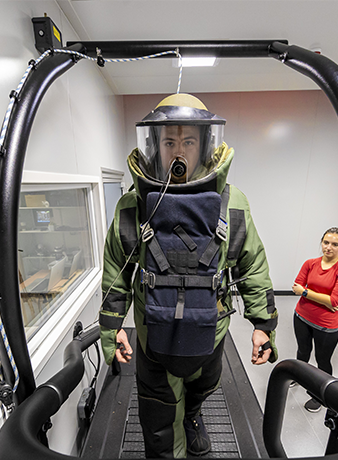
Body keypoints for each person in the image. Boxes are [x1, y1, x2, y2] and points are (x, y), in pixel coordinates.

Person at [98, 93, 279, 458]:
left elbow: (252, 265)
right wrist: (111, 326)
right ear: (155, 147)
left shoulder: (233, 204)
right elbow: (117, 270)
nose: (178, 152)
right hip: (153, 335)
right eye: (169, 142)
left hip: (210, 331)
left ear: (204, 145)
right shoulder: (132, 206)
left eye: (188, 141)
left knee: (202, 387)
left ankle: (193, 415)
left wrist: (263, 324)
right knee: (159, 420)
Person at [291, 227, 338, 413]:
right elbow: (297, 285)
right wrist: (323, 299)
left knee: (322, 361)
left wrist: (306, 293)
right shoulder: (310, 263)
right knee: (302, 352)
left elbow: (334, 300)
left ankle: (319, 395)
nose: (329, 247)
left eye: (335, 244)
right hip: (301, 316)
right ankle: (298, 376)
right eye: (326, 242)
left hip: (326, 326)